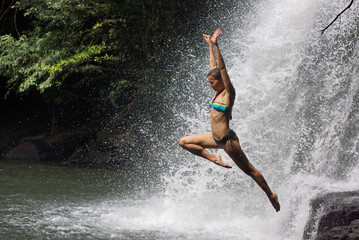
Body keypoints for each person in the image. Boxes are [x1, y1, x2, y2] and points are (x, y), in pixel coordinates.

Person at [178, 28, 280, 212]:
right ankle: (215, 158)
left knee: (249, 170)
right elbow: (214, 68)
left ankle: (271, 195)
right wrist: (209, 45)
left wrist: (217, 46)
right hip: (215, 139)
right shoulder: (218, 92)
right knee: (184, 142)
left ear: (221, 81)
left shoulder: (228, 93)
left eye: (212, 82)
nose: (210, 85)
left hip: (228, 141)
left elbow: (222, 70)